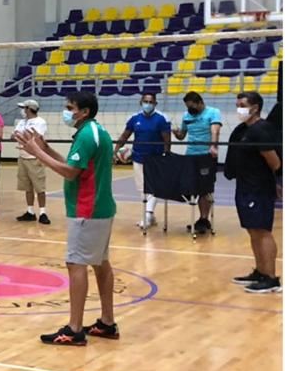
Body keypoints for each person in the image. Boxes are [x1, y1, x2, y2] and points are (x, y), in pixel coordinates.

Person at [15, 92, 118, 347]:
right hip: (99, 208)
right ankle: (106, 322)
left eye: (70, 107)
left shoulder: (85, 136)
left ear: (84, 111)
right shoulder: (93, 131)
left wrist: (36, 153)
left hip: (87, 209)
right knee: (100, 263)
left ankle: (74, 329)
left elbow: (70, 173)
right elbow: (77, 167)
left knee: (76, 264)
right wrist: (46, 147)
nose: (66, 111)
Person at [225, 92, 282, 294]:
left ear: (255, 107)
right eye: (237, 104)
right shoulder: (243, 130)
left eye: (242, 105)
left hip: (258, 188)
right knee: (252, 230)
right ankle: (260, 271)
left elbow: (275, 163)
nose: (239, 109)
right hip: (245, 185)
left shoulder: (261, 130)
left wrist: (274, 184)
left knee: (262, 231)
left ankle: (271, 278)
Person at [113, 92, 171, 230]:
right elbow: (124, 135)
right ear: (141, 102)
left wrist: (166, 155)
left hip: (156, 159)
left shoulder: (161, 118)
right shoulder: (134, 118)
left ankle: (147, 215)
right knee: (142, 189)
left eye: (151, 102)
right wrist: (115, 151)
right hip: (138, 157)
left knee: (154, 188)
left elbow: (167, 140)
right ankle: (150, 215)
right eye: (145, 101)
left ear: (155, 104)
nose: (148, 104)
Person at [173, 91, 222, 235]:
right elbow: (182, 136)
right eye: (188, 107)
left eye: (193, 107)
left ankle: (204, 218)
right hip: (190, 155)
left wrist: (213, 146)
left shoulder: (213, 112)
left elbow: (215, 131)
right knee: (192, 187)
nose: (191, 110)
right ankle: (201, 218)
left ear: (200, 103)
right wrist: (176, 132)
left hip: (206, 155)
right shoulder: (186, 115)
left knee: (205, 188)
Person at [13, 100, 50, 224]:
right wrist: (21, 135)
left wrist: (22, 135)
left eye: (24, 108)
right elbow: (14, 136)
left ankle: (43, 213)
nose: (22, 110)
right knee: (27, 187)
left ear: (29, 109)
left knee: (39, 187)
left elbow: (36, 138)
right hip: (22, 157)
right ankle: (30, 212)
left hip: (35, 158)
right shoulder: (21, 122)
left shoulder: (40, 122)